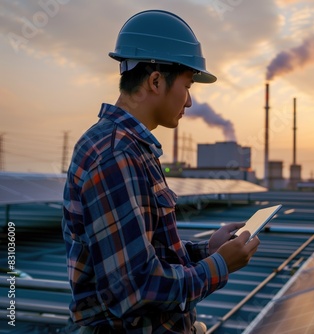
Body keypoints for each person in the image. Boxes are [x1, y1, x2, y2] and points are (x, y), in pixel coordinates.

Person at [62, 9, 260, 333]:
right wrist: (220, 265)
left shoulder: (133, 148)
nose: (190, 101)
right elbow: (137, 288)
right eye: (187, 84)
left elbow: (150, 255)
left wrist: (206, 250)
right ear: (156, 81)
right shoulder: (115, 155)